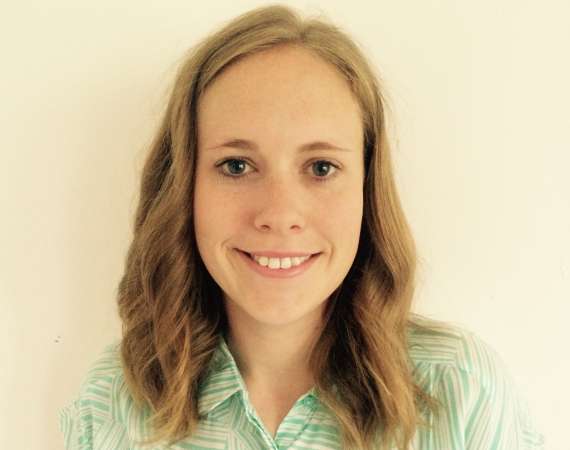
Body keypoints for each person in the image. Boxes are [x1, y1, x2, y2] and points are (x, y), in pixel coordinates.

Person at [60, 5, 544, 450]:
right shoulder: (110, 404)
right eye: (235, 166)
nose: (280, 213)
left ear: (367, 191)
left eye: (320, 168)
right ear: (182, 186)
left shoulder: (460, 389)